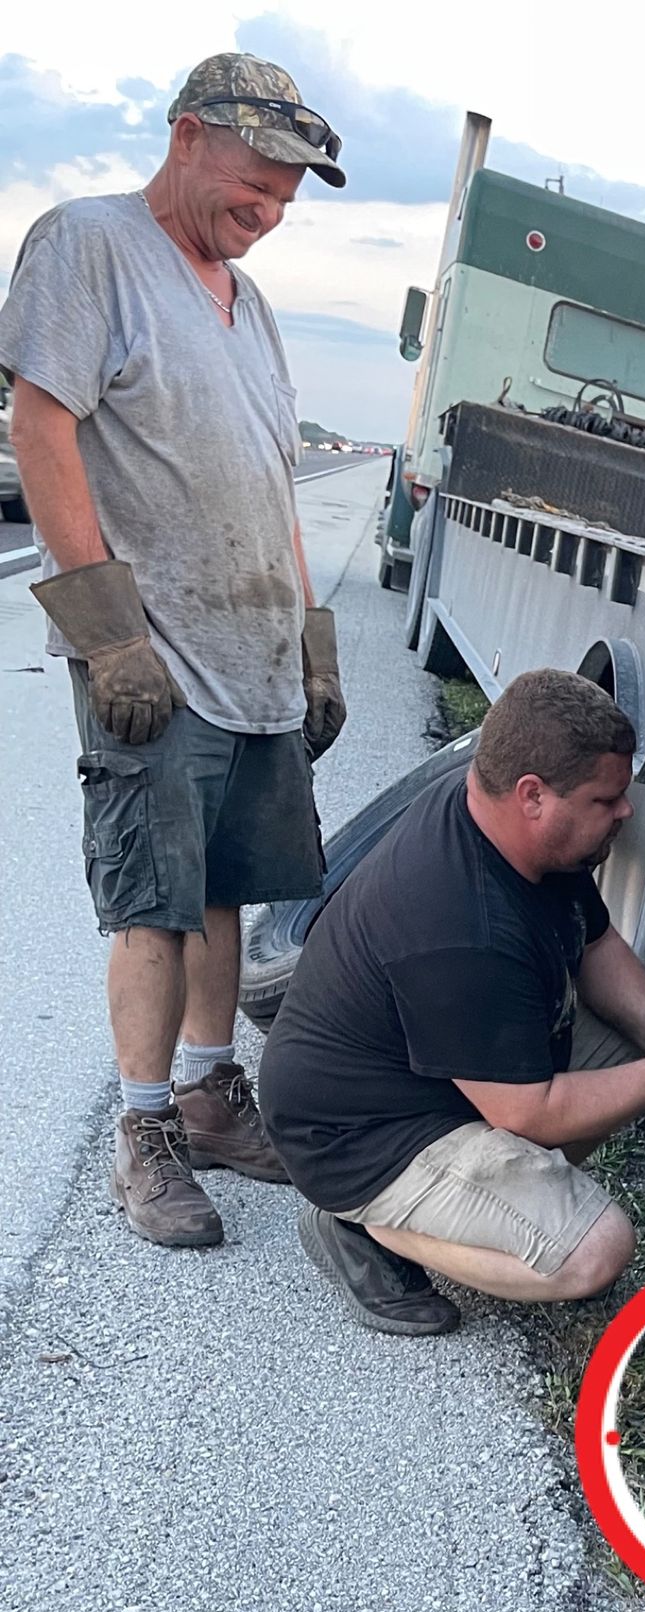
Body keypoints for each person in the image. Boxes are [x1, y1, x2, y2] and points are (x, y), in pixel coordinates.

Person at [0, 53, 349, 1250]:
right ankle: (142, 1133)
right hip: (154, 652)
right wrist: (106, 629)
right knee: (151, 903)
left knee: (224, 893)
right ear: (188, 135)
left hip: (249, 654)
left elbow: (272, 482)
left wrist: (313, 642)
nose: (271, 213)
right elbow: (41, 419)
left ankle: (208, 1097)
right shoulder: (90, 244)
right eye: (256, 185)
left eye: (287, 198)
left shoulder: (252, 311)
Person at [259, 670, 645, 1336]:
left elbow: (596, 944)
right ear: (533, 796)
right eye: (606, 799)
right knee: (593, 1252)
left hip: (431, 1070)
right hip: (358, 1137)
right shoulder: (456, 922)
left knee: (632, 1050)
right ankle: (362, 1220)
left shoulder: (505, 823)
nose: (626, 812)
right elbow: (528, 1110)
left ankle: (477, 1195)